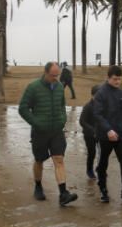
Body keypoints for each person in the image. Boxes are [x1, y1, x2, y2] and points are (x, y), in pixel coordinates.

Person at [17, 61, 78, 206]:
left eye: (57, 75)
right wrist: (36, 123)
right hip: (40, 132)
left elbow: (62, 105)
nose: (55, 78)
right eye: (53, 75)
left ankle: (63, 193)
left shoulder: (58, 87)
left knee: (59, 159)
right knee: (39, 160)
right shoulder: (33, 88)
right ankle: (38, 187)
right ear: (45, 72)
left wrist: (63, 119)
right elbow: (23, 108)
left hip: (56, 131)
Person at [92, 65, 122, 203]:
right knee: (103, 163)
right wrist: (108, 130)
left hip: (121, 136)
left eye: (119, 79)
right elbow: (97, 115)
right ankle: (103, 190)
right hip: (104, 136)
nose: (117, 82)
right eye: (115, 79)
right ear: (108, 78)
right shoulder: (101, 93)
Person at [79, 84, 100, 181]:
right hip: (89, 135)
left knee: (103, 152)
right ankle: (89, 170)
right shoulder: (88, 106)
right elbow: (82, 121)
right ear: (92, 95)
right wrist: (92, 130)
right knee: (92, 153)